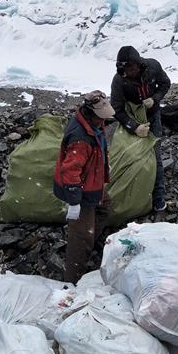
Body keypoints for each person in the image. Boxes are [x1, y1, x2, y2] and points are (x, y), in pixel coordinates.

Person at [53, 91, 115, 283]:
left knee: (105, 208)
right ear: (90, 113)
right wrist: (74, 202)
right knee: (80, 238)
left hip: (93, 183)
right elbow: (70, 171)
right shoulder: (80, 138)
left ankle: (91, 239)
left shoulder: (93, 124)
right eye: (100, 117)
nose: (103, 121)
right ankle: (72, 281)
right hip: (82, 190)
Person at [110, 46, 171, 212]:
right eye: (125, 68)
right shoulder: (119, 81)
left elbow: (165, 83)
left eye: (132, 67)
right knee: (131, 154)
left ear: (139, 64)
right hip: (133, 117)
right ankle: (134, 195)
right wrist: (134, 127)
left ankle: (158, 199)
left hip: (153, 115)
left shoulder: (152, 66)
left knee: (155, 155)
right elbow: (116, 109)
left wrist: (155, 99)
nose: (130, 72)